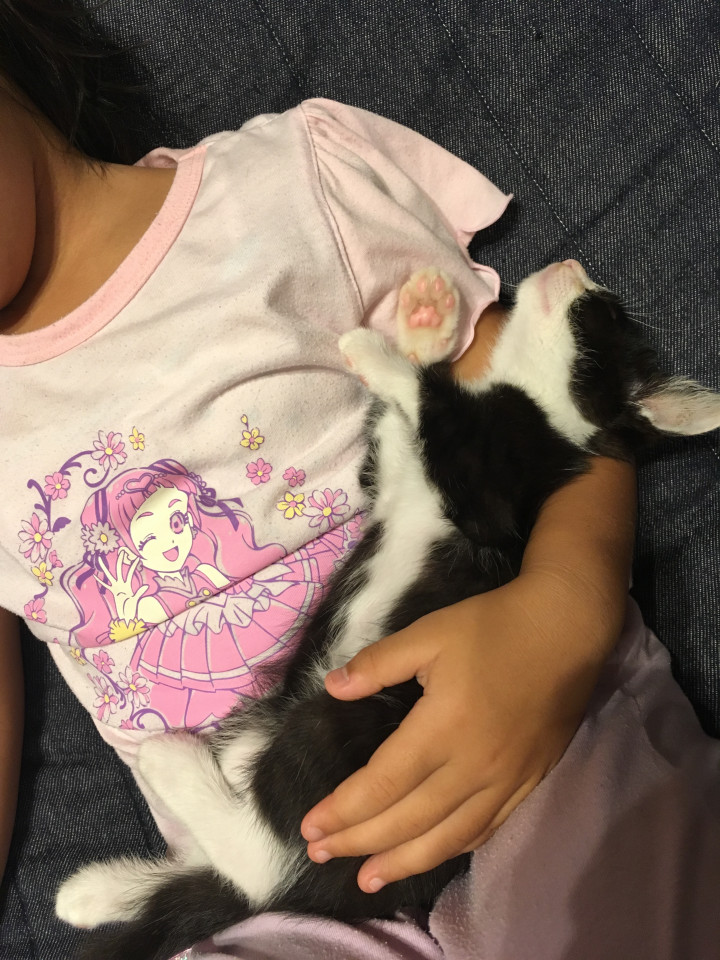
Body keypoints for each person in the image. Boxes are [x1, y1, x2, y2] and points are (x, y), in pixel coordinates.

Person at [2, 4, 718, 960]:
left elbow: (536, 388)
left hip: (536, 722)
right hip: (276, 870)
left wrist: (568, 600)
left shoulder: (288, 188)